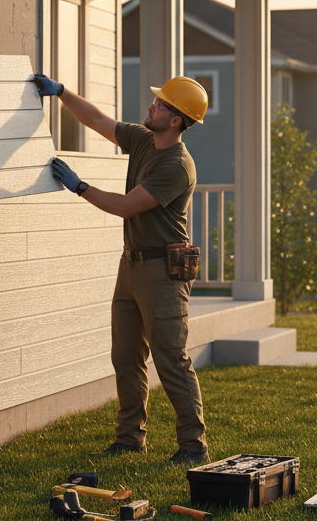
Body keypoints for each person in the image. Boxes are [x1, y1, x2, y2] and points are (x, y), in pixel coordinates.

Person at [35, 71, 211, 467]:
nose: (152, 106)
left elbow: (127, 206)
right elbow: (98, 120)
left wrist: (80, 186)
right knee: (125, 355)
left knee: (170, 358)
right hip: (131, 264)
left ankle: (193, 447)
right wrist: (61, 92)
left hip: (162, 272)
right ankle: (130, 439)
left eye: (161, 104)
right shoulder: (144, 138)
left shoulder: (177, 164)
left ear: (177, 120)